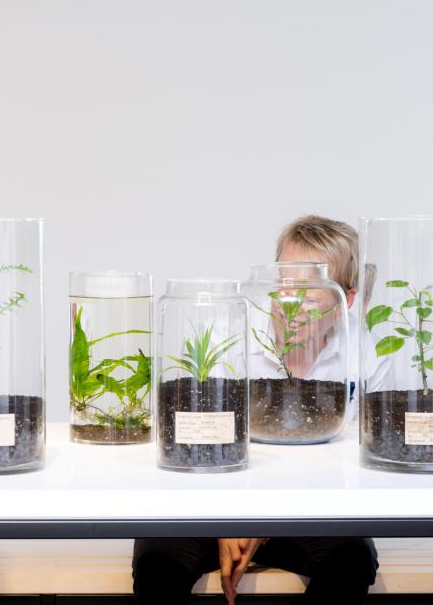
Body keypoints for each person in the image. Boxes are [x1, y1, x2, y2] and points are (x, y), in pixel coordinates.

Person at [133, 216, 378, 605]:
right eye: (283, 286)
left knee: (353, 557)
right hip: (215, 504)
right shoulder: (227, 337)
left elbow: (355, 460)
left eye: (310, 292)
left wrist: (261, 522)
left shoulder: (364, 352)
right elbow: (198, 438)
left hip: (313, 509)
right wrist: (233, 517)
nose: (291, 304)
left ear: (345, 300)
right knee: (157, 556)